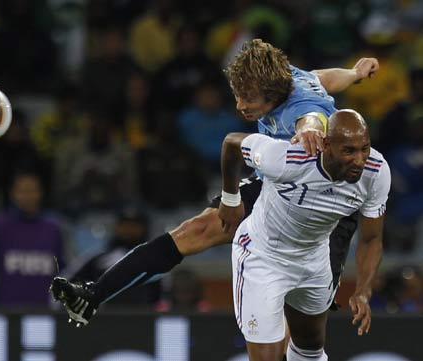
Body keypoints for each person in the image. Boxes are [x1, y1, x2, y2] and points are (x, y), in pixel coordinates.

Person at [50, 39, 379, 326]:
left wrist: (309, 130)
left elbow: (313, 116)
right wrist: (353, 74)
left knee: (300, 322)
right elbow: (322, 78)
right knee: (195, 230)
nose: (239, 105)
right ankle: (92, 296)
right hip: (277, 189)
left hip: (322, 209)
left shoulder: (304, 109)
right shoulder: (289, 77)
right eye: (237, 95)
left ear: (273, 93)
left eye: (248, 98)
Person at [219, 109, 390, 360]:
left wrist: (363, 291)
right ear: (327, 145)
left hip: (314, 260)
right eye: (349, 151)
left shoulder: (376, 172)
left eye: (364, 148)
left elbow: (371, 238)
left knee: (310, 347)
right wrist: (230, 198)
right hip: (263, 257)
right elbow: (231, 143)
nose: (359, 160)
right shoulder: (286, 158)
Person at [0, 171, 66, 308]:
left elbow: (67, 271)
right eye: (22, 191)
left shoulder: (54, 229)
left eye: (32, 191)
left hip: (44, 317)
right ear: (13, 194)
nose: (28, 196)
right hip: (4, 314)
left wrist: (59, 307)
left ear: (41, 193)